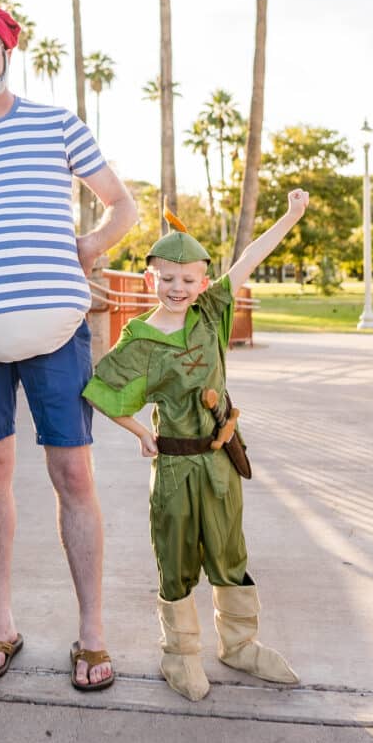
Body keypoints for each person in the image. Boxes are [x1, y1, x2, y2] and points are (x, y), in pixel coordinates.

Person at [0, 5, 137, 691]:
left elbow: (121, 205)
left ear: (5, 51)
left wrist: (88, 251)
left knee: (72, 476)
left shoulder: (55, 124)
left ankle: (92, 634)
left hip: (53, 330)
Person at [82, 191, 310, 701]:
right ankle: (180, 656)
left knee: (230, 550)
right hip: (176, 467)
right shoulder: (138, 339)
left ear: (203, 282)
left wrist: (291, 216)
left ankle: (240, 643)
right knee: (177, 556)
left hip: (221, 459)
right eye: (166, 279)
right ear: (150, 279)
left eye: (187, 280)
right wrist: (142, 431)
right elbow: (100, 391)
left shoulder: (210, 312)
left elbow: (249, 258)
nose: (177, 288)